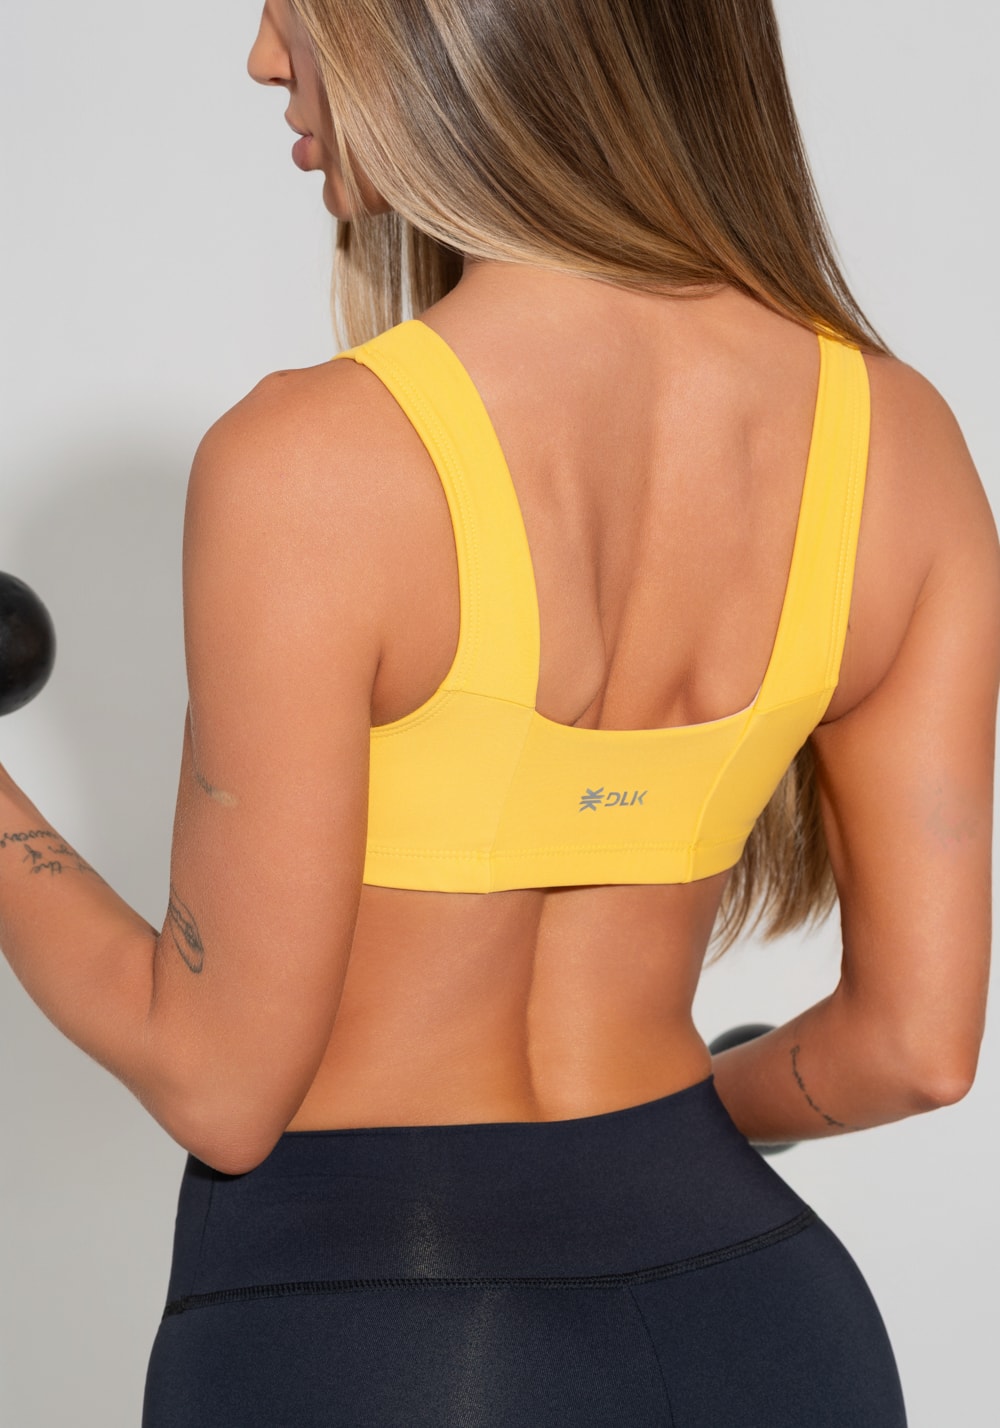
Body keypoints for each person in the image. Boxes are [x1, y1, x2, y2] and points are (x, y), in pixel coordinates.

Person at [0, 0, 995, 1423]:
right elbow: (913, 1050)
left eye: (299, 3)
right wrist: (672, 1139)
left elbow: (221, 1084)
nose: (266, 53)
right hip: (766, 1319)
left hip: (382, 1338)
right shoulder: (903, 442)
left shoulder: (316, 461)